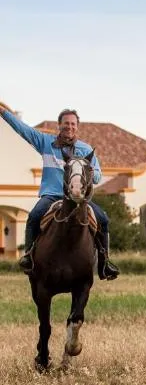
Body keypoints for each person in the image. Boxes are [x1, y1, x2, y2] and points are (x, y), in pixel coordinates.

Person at [0, 104, 120, 279]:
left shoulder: (85, 149)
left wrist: (92, 174)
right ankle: (28, 257)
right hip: (51, 196)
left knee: (103, 219)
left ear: (77, 127)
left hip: (78, 199)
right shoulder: (45, 142)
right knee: (34, 216)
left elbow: (97, 176)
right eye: (66, 123)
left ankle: (104, 263)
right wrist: (3, 113)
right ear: (59, 125)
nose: (69, 127)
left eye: (73, 124)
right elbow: (22, 129)